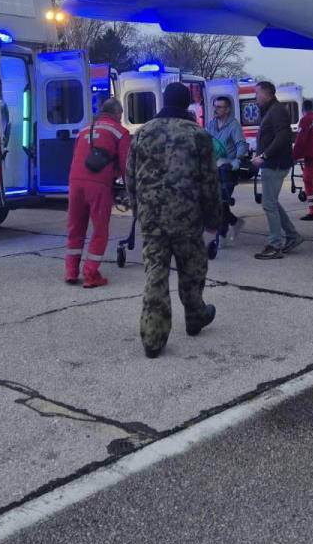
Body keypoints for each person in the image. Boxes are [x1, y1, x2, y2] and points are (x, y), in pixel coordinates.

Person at [126, 83, 221, 358]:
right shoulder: (198, 135)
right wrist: (213, 216)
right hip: (187, 216)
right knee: (192, 268)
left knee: (155, 272)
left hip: (152, 217)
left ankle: (153, 339)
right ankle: (195, 315)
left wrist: (137, 210)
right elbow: (209, 181)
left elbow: (130, 176)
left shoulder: (142, 133)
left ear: (163, 102)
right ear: (187, 104)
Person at [65, 97, 131, 288]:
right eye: (121, 114)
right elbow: (126, 164)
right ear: (117, 113)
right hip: (98, 184)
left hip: (75, 182)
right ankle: (91, 274)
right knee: (100, 230)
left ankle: (71, 271)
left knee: (75, 228)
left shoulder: (85, 129)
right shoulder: (120, 132)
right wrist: (130, 187)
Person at [250, 81, 305, 260]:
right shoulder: (271, 110)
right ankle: (293, 236)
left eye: (257, 93)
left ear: (267, 94)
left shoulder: (277, 110)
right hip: (272, 163)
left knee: (269, 204)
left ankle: (275, 245)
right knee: (272, 202)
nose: (255, 96)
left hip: (275, 164)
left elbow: (283, 136)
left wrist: (264, 155)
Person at [205, 95, 247, 240]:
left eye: (219, 107)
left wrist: (237, 159)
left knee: (221, 201)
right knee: (217, 202)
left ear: (227, 109)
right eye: (215, 106)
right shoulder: (211, 124)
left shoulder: (234, 125)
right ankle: (235, 222)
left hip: (227, 170)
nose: (215, 109)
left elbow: (241, 144)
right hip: (212, 169)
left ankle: (221, 236)